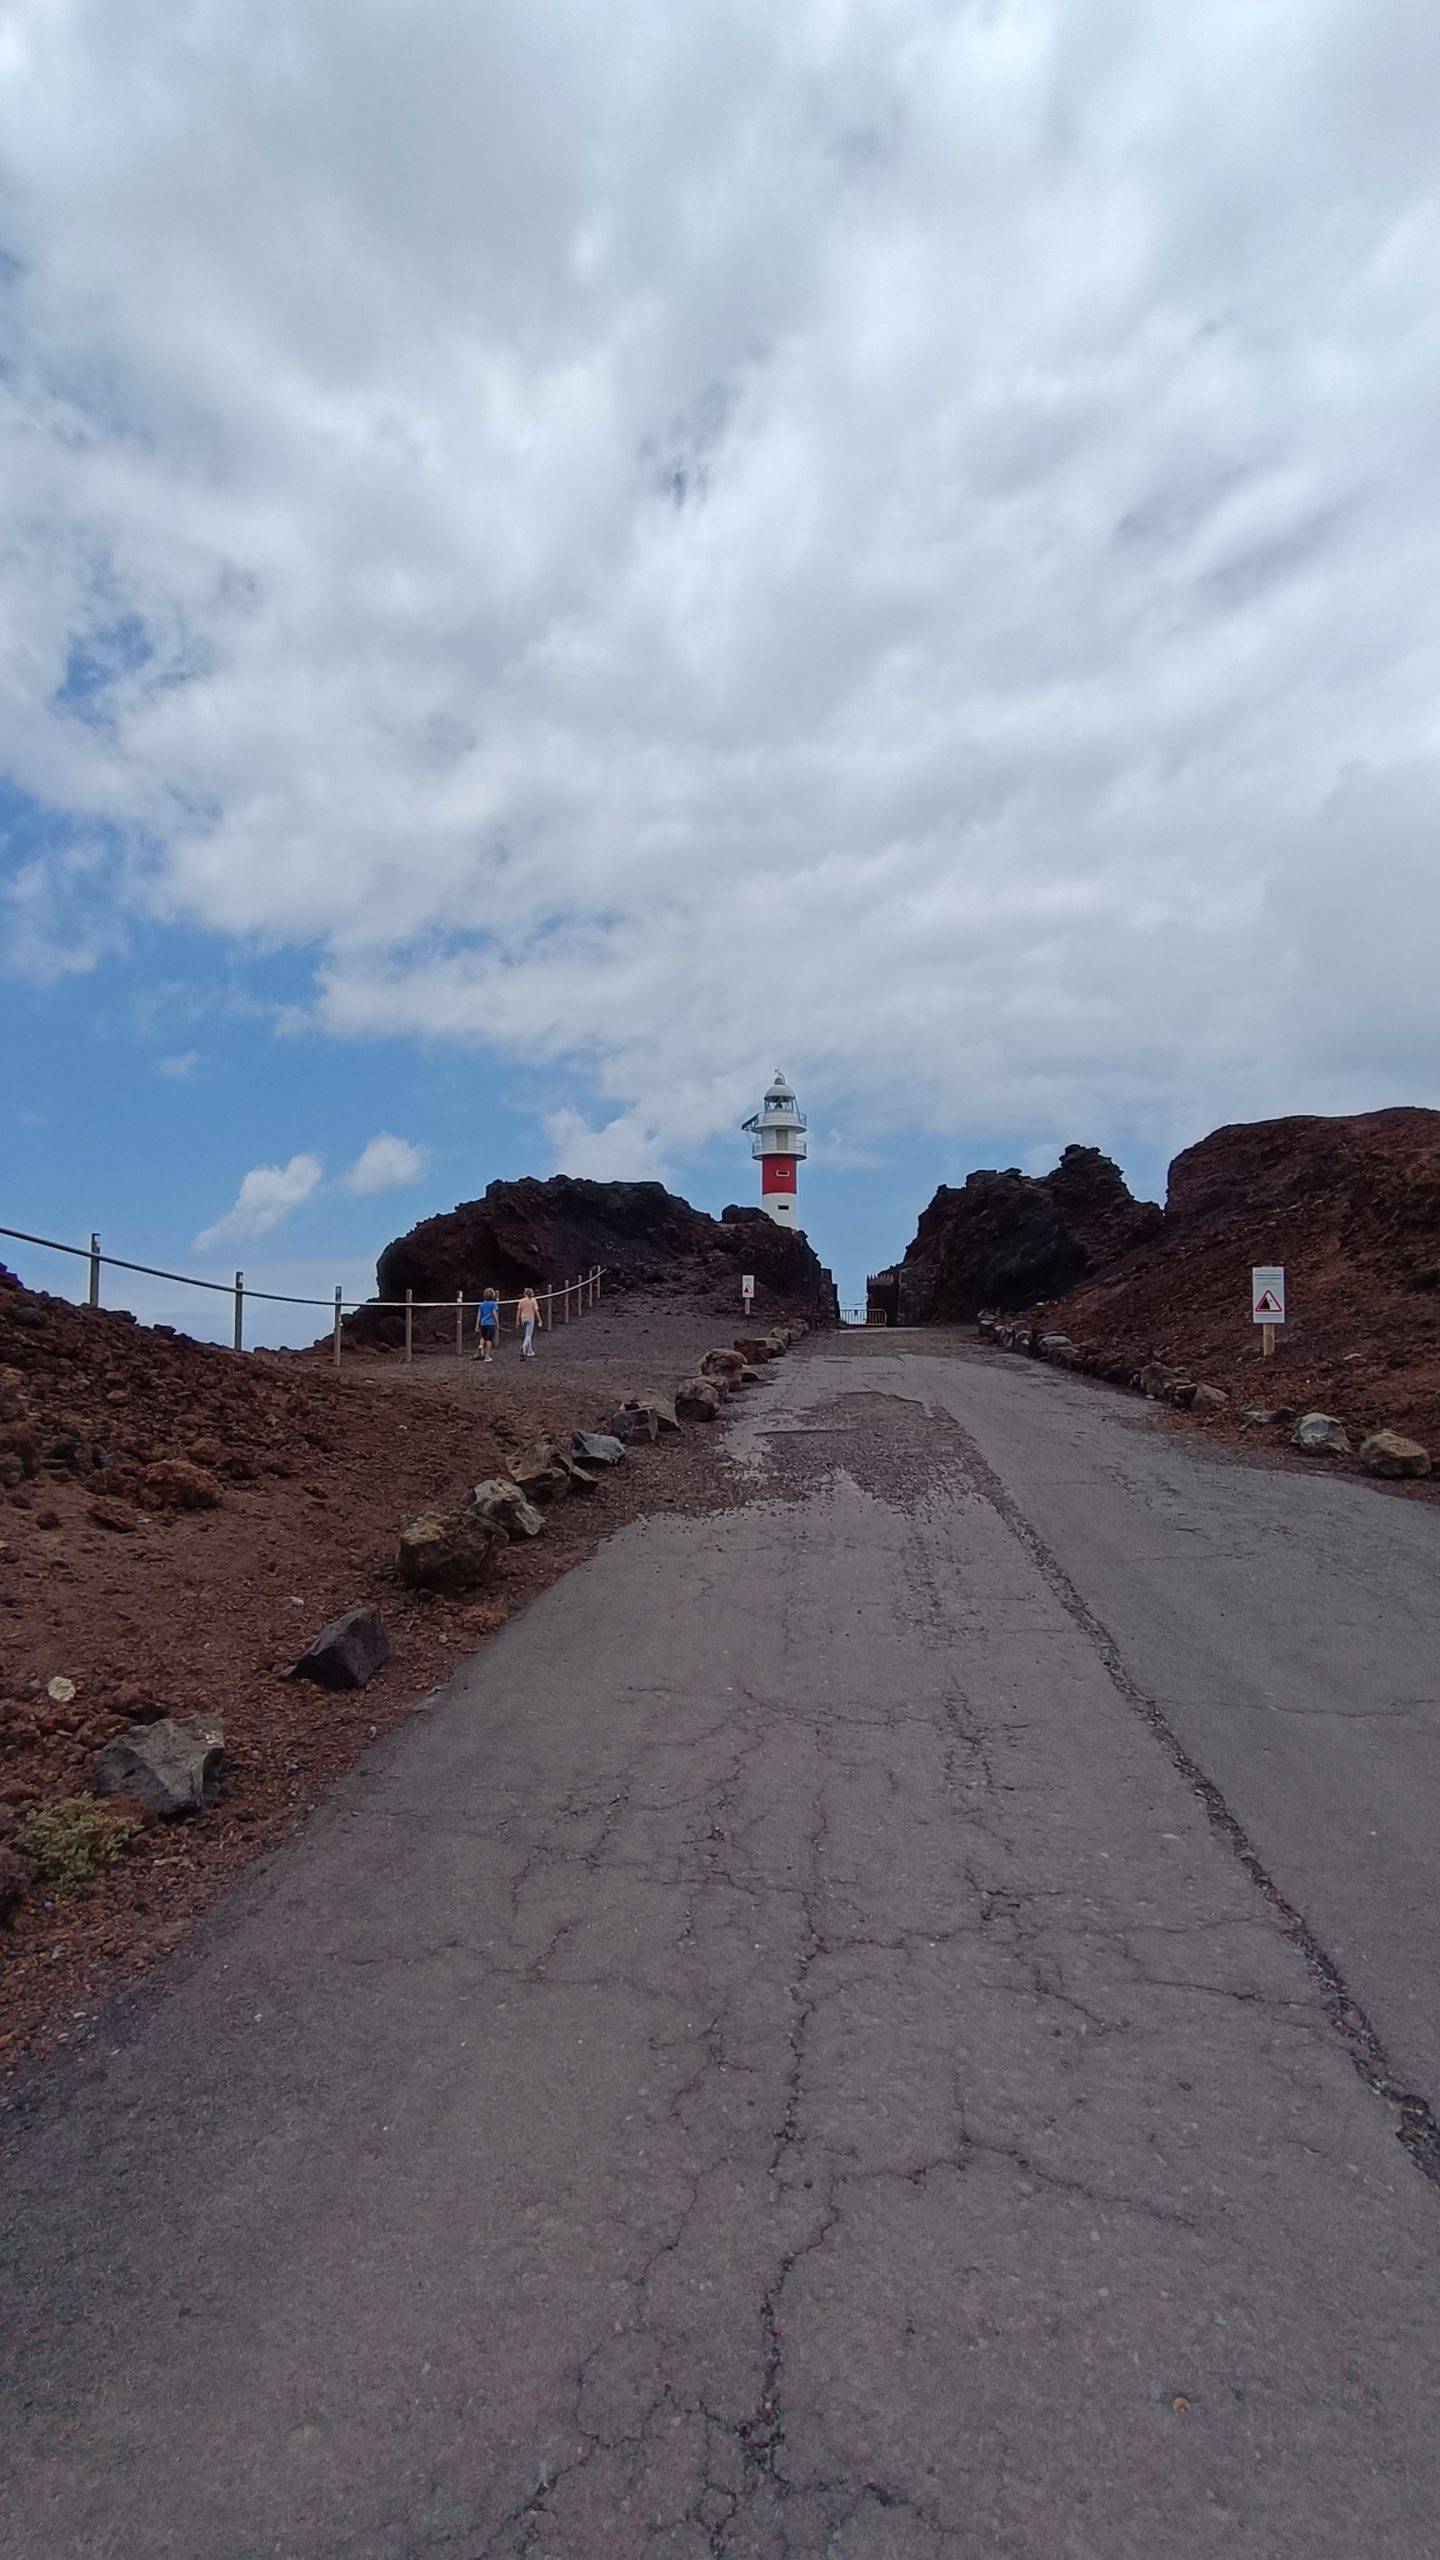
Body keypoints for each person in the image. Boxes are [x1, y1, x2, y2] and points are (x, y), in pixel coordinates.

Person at [474, 1286, 500, 1363]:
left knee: (483, 1337)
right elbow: (494, 1313)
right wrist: (497, 1323)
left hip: (483, 1323)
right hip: (490, 1323)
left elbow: (479, 1315)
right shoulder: (493, 1304)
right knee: (489, 1339)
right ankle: (487, 1356)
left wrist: (477, 1325)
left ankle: (481, 1346)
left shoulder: (482, 1304)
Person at [516, 1284, 543, 1359]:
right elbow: (536, 1311)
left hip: (523, 1318)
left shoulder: (521, 1301)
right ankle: (524, 1347)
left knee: (527, 1334)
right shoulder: (533, 1301)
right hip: (530, 1318)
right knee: (528, 1335)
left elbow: (519, 1311)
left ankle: (529, 1350)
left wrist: (517, 1321)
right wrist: (539, 1320)